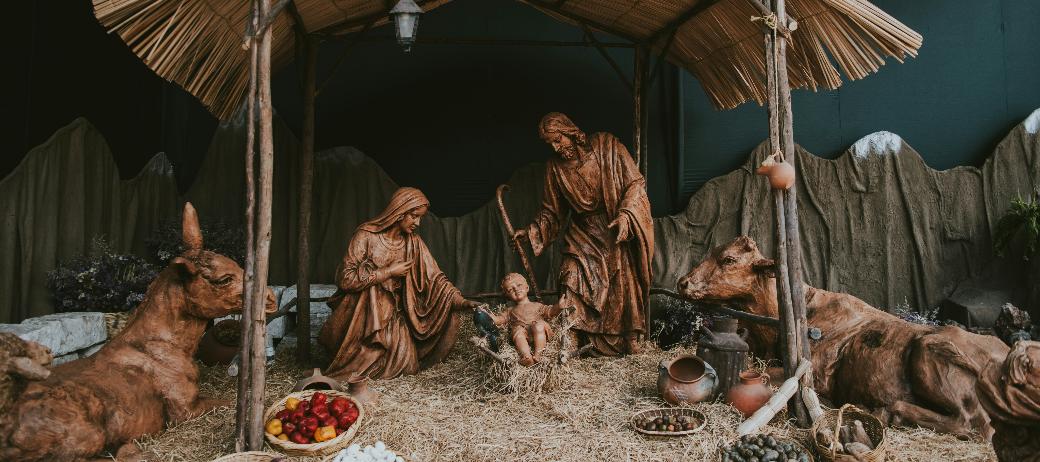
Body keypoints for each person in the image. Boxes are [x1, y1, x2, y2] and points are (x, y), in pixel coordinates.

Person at [513, 112, 654, 356]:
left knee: (623, 276)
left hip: (613, 225)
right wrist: (532, 231)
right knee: (571, 275)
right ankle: (573, 338)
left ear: (570, 132)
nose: (557, 148)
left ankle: (629, 338)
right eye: (551, 144)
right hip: (582, 232)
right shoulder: (555, 169)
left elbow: (635, 183)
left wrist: (626, 215)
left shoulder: (607, 146)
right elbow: (552, 211)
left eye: (559, 140)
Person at [318, 187, 482, 380]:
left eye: (420, 217)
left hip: (395, 315)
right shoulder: (366, 235)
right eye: (414, 216)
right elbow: (346, 279)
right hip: (364, 317)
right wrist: (387, 273)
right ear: (399, 211)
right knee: (366, 274)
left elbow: (436, 278)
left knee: (409, 368)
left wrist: (462, 302)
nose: (417, 223)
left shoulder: (413, 242)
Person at [482, 273, 565, 366]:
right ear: (508, 296)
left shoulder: (537, 305)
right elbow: (500, 319)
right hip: (523, 333)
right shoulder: (510, 310)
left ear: (527, 288)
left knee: (538, 325)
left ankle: (538, 354)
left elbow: (550, 311)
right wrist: (490, 317)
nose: (516, 289)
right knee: (517, 331)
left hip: (539, 331)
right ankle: (526, 356)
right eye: (510, 289)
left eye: (519, 285)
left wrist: (559, 306)